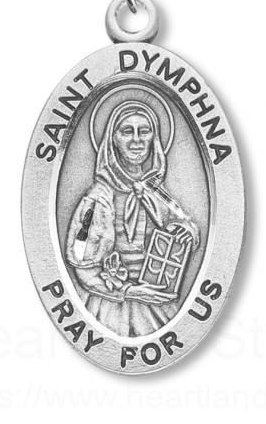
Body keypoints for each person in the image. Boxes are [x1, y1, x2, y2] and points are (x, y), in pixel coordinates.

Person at [65, 100, 199, 337]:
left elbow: (184, 221)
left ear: (154, 139)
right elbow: (82, 266)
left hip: (159, 303)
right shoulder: (97, 198)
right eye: (127, 131)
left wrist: (187, 232)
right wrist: (131, 292)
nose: (137, 139)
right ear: (112, 140)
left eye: (144, 131)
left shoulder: (156, 192)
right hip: (111, 307)